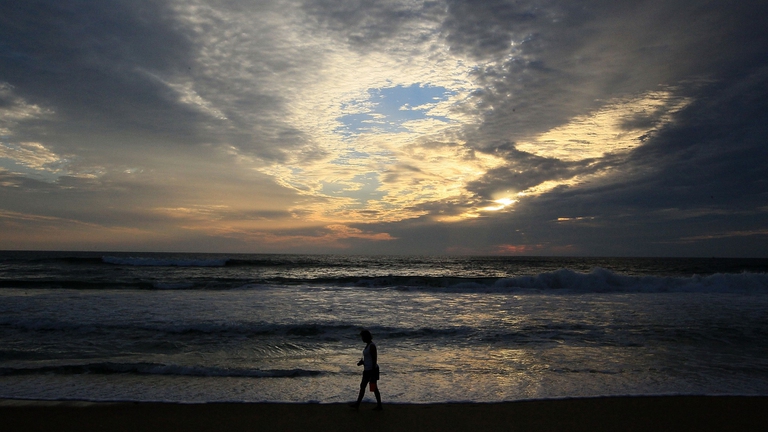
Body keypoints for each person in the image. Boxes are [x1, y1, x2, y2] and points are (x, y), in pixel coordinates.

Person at [350, 329, 382, 410]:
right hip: (367, 369)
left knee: (373, 387)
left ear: (366, 337)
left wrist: (372, 372)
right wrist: (362, 363)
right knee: (364, 386)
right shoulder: (368, 345)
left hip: (371, 370)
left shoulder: (372, 346)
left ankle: (379, 405)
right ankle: (358, 404)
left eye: (363, 337)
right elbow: (369, 359)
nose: (362, 339)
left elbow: (374, 359)